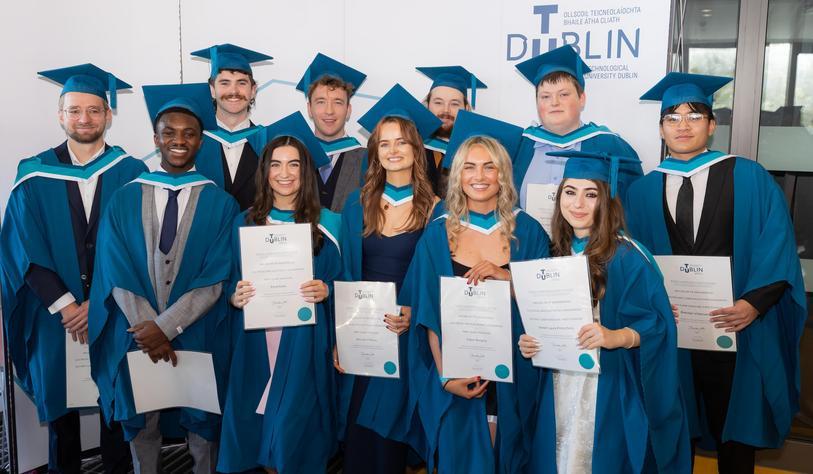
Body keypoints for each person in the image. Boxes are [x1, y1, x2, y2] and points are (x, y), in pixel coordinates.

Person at [626, 72, 806, 473]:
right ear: (660, 128)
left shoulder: (749, 176)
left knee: (736, 429)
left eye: (693, 116)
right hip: (674, 332)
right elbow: (630, 262)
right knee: (675, 420)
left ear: (711, 124)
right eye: (672, 118)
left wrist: (753, 304)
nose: (683, 125)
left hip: (735, 327)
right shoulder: (641, 191)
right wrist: (650, 308)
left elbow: (775, 243)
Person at [0, 63, 144, 474]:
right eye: (75, 110)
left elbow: (136, 248)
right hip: (55, 317)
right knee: (62, 418)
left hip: (112, 312)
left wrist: (95, 304)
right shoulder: (32, 174)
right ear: (60, 115)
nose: (85, 118)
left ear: (109, 115)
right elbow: (22, 247)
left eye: (95, 110)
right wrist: (67, 305)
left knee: (114, 409)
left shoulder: (131, 173)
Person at [89, 83, 238, 474]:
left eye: (189, 133)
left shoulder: (221, 203)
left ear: (201, 141)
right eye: (169, 132)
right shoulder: (123, 198)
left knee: (204, 432)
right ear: (155, 138)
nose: (178, 140)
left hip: (198, 330)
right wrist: (149, 328)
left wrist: (166, 327)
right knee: (143, 428)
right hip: (138, 333)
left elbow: (217, 276)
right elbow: (114, 268)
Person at [517, 149, 690, 473]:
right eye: (570, 192)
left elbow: (659, 324)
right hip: (558, 382)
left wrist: (616, 336)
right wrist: (531, 341)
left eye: (590, 194)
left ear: (607, 201)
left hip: (606, 385)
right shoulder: (552, 254)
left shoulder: (628, 256)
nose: (577, 203)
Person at [404, 111, 549, 473]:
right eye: (469, 167)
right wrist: (445, 376)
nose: (479, 177)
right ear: (457, 174)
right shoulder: (438, 233)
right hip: (458, 370)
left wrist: (507, 278)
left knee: (509, 457)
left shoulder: (528, 231)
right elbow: (428, 312)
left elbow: (547, 302)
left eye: (489, 167)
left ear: (503, 174)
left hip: (515, 371)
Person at [217, 111, 341, 473]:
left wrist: (326, 289)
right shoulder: (244, 221)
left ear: (306, 172)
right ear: (265, 171)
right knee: (256, 425)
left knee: (291, 432)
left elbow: (342, 281)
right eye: (275, 165)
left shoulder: (328, 224)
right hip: (257, 339)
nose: (284, 174)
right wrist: (233, 295)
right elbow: (227, 278)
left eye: (293, 165)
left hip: (303, 341)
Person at [335, 84, 441, 473]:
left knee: (393, 439)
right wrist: (341, 336)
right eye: (384, 143)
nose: (393, 150)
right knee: (361, 437)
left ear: (416, 149)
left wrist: (415, 311)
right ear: (375, 152)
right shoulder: (356, 204)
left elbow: (436, 277)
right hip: (365, 333)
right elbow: (345, 273)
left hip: (406, 335)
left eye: (402, 142)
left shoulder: (435, 209)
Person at [512, 45, 642, 230]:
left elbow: (631, 211)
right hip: (530, 252)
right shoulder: (519, 146)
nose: (554, 103)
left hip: (591, 254)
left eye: (564, 94)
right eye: (545, 96)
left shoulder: (610, 146)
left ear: (582, 99)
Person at [190, 43, 273, 210]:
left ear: (253, 90)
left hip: (254, 233)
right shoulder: (194, 141)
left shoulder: (269, 141)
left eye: (241, 83)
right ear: (212, 90)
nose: (233, 91)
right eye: (225, 83)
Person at [297, 52, 368, 211]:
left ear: (348, 110)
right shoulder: (295, 156)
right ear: (309, 109)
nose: (329, 111)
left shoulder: (368, 159)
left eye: (338, 102)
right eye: (321, 102)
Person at [416, 65, 486, 197]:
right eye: (438, 102)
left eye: (454, 104)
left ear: (466, 108)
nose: (446, 110)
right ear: (428, 105)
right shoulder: (411, 148)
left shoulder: (475, 152)